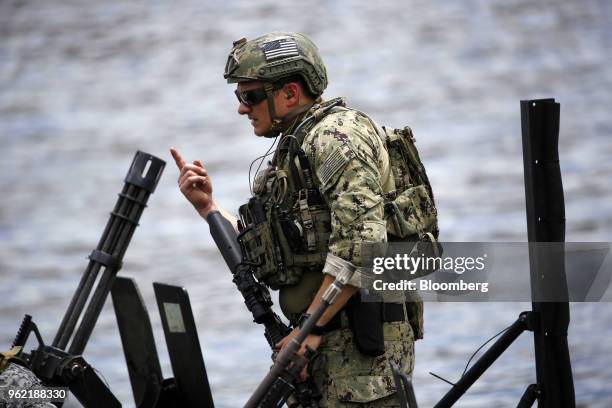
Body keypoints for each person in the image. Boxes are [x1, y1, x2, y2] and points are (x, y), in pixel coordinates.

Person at [171, 32, 435, 407]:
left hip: (358, 353)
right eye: (240, 97)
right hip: (318, 346)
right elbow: (271, 247)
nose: (242, 109)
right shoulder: (297, 147)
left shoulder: (335, 137)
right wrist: (208, 208)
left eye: (250, 96)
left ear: (290, 94)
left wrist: (309, 332)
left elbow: (362, 243)